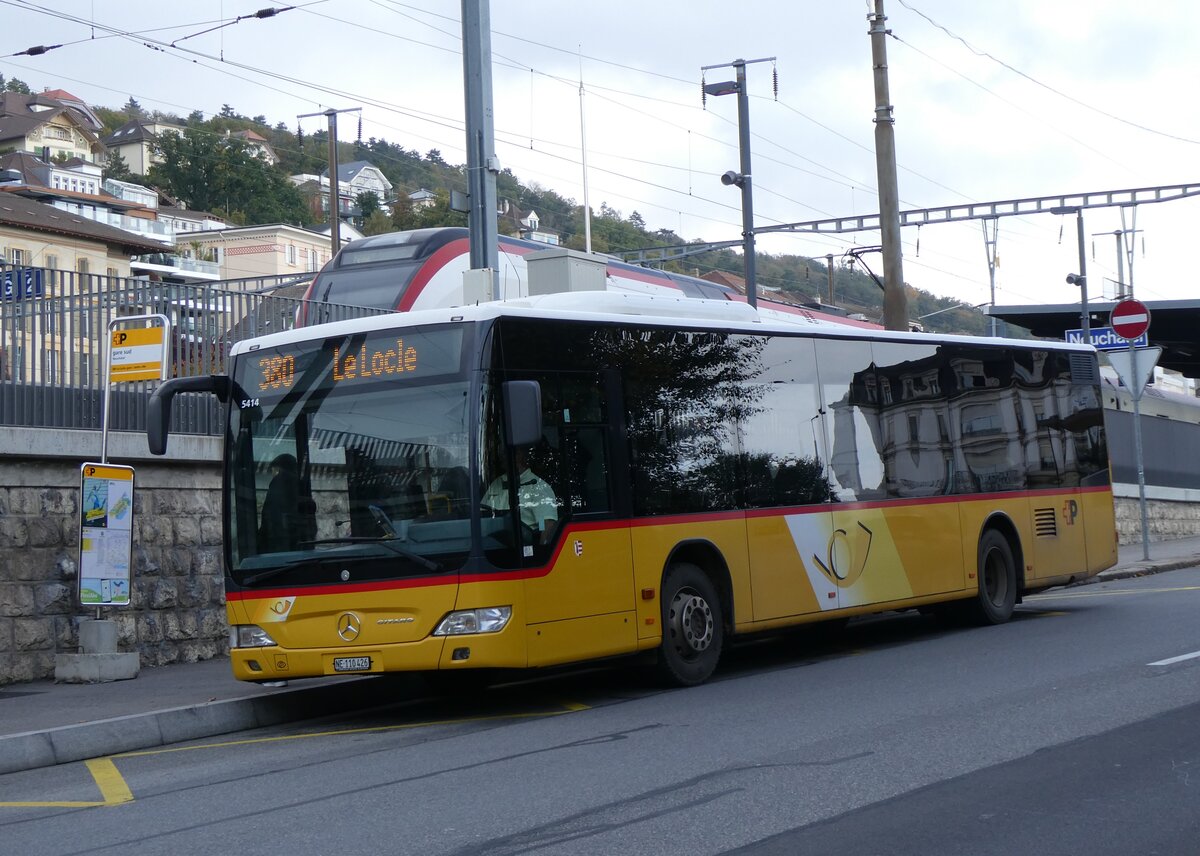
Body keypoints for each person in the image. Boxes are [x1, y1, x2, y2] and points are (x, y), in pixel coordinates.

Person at [482, 447, 558, 541]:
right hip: (493, 544)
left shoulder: (537, 486)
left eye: (508, 453)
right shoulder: (496, 484)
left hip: (523, 546)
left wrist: (542, 548)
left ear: (522, 456)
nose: (502, 456)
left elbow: (545, 523)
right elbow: (481, 514)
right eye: (502, 453)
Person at [259, 453, 300, 551]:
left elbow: (270, 511)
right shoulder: (299, 482)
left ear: (278, 469)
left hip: (279, 538)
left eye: (273, 470)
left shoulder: (279, 481)